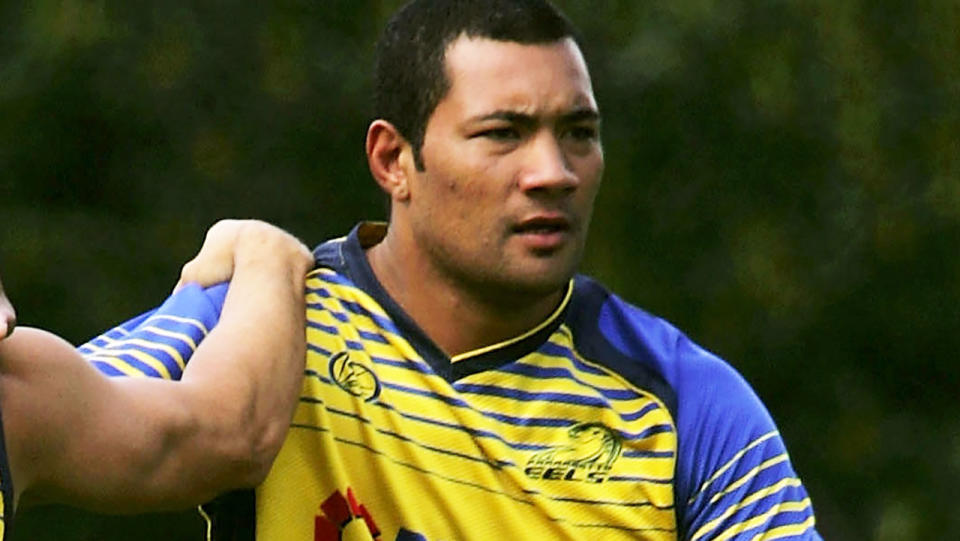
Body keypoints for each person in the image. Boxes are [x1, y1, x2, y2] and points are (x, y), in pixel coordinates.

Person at [85, 1, 822, 539]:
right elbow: (54, 407)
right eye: (503, 133)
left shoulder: (686, 402)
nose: (554, 172)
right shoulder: (265, 316)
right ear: (393, 160)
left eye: (579, 133)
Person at [0, 220, 313, 540]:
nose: (5, 321)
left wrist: (261, 252)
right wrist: (264, 252)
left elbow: (230, 431)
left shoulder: (15, 397)